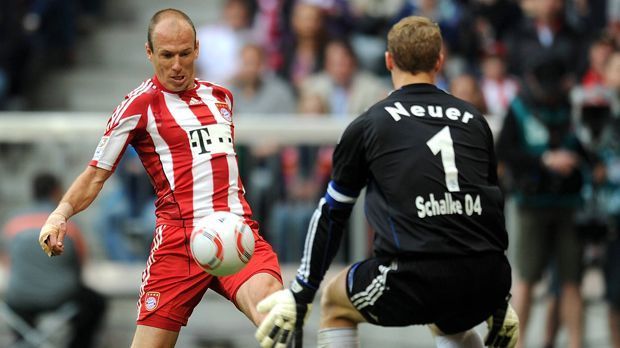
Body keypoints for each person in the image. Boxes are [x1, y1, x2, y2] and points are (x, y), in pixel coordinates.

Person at [255, 16, 518, 348]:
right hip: (487, 280)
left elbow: (332, 213)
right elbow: (491, 209)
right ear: (439, 61)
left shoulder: (371, 123)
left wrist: (300, 294)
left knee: (335, 303)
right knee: (451, 315)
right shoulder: (475, 121)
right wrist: (500, 300)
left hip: (412, 279)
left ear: (389, 60)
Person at [37, 8, 283, 348]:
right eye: (167, 55)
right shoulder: (139, 105)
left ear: (197, 48)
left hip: (235, 232)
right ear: (149, 53)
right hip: (179, 244)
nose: (177, 65)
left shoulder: (220, 97)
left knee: (276, 314)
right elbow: (95, 175)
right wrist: (59, 214)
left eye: (184, 53)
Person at [2, 172, 106, 348]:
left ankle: (24, 342)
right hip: (60, 297)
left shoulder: (13, 224)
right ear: (57, 192)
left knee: (17, 306)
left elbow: (6, 262)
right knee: (95, 302)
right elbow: (82, 262)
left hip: (19, 298)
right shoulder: (69, 226)